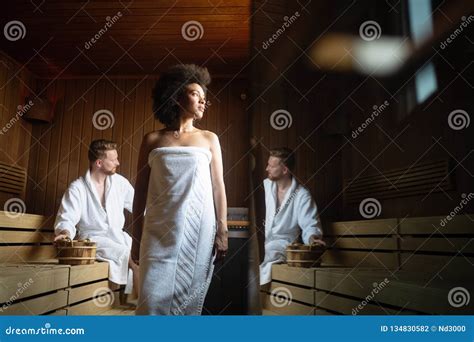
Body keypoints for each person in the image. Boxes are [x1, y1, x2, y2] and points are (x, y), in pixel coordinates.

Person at [132, 64, 228, 315]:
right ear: (176, 96)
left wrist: (222, 230)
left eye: (204, 97)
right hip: (157, 230)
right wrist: (135, 237)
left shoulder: (209, 138)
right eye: (196, 93)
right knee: (150, 304)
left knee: (188, 306)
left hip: (197, 230)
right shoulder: (152, 139)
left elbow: (218, 186)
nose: (203, 100)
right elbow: (140, 190)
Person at [54, 139, 138, 295]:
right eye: (113, 160)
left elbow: (139, 207)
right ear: (99, 163)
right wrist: (64, 234)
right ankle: (142, 303)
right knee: (129, 256)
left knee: (141, 253)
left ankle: (139, 301)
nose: (118, 163)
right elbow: (67, 218)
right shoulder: (77, 189)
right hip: (93, 240)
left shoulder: (120, 183)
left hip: (118, 236)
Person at [259, 147, 324, 286]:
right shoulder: (264, 187)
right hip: (261, 241)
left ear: (284, 170)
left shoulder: (301, 195)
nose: (266, 169)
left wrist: (314, 239)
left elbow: (310, 224)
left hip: (283, 246)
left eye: (271, 166)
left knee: (265, 253)